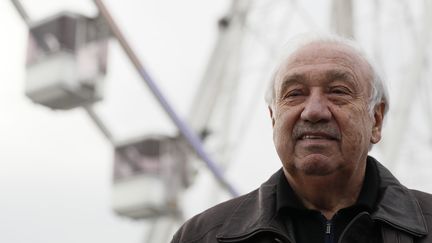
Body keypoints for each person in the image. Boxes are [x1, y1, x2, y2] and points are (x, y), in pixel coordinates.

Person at [171, 34, 432, 243]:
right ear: (274, 119)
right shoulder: (201, 236)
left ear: (376, 119)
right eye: (295, 94)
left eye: (338, 92)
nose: (313, 111)